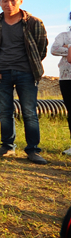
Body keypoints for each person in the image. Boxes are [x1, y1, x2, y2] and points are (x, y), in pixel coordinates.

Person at [0, 0, 48, 165]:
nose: (8, 4)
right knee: (4, 111)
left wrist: (29, 65)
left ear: (20, 1)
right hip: (1, 73)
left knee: (29, 111)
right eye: (5, 1)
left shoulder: (34, 22)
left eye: (13, 0)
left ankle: (33, 150)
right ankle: (7, 146)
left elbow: (41, 48)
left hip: (26, 73)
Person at [50, 12, 71, 155]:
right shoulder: (63, 35)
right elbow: (54, 49)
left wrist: (68, 47)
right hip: (67, 77)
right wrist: (69, 48)